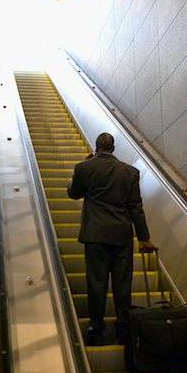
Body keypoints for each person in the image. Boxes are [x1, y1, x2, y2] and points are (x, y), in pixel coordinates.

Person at [67, 132, 156, 345]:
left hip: (95, 236)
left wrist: (76, 177)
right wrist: (144, 238)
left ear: (96, 148)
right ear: (113, 148)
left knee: (96, 283)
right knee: (122, 284)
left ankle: (96, 330)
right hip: (121, 236)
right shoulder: (130, 172)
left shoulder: (84, 168)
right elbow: (136, 207)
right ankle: (124, 330)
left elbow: (74, 193)